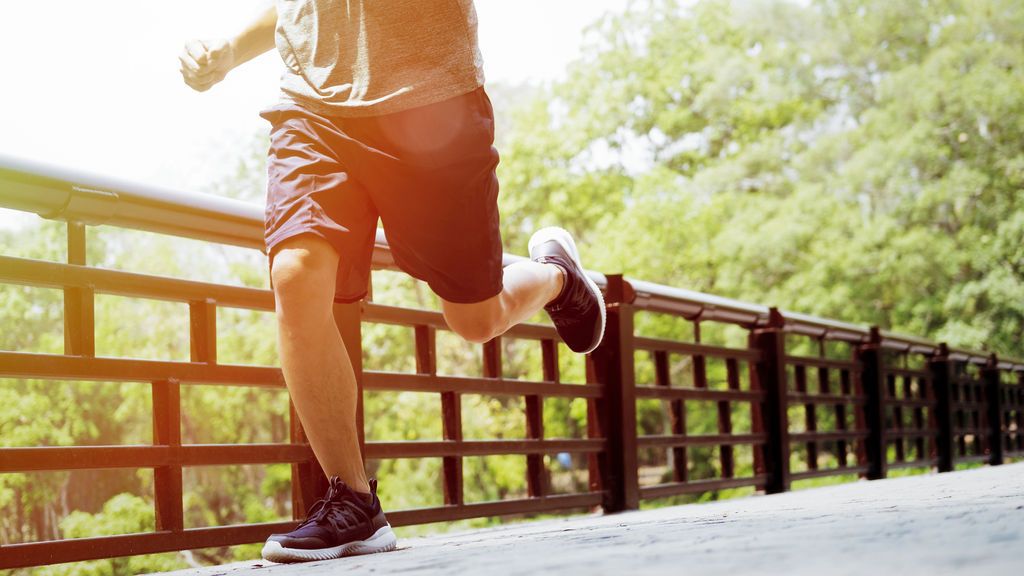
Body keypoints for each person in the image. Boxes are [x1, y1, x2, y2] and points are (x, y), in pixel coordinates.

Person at [179, 0, 605, 563]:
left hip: (433, 111)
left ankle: (555, 276)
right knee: (296, 275)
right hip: (313, 111)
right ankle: (352, 503)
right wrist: (230, 52)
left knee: (475, 318)